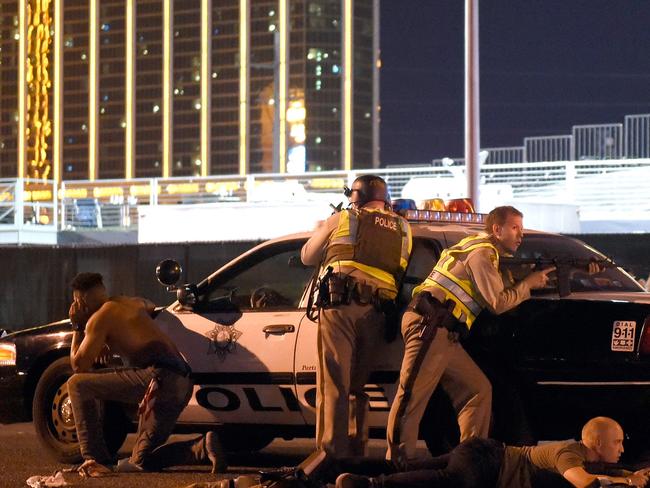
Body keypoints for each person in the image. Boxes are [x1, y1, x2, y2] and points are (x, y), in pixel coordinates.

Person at [386, 205, 555, 467]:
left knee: (477, 389)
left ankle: (469, 460)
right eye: (514, 228)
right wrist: (528, 285)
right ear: (496, 229)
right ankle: (397, 465)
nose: (520, 235)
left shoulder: (478, 248)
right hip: (430, 325)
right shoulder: (482, 253)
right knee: (411, 396)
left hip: (445, 332)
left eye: (521, 228)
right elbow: (497, 302)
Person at [66, 272, 226, 475]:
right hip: (182, 382)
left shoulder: (98, 319)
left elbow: (79, 366)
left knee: (77, 384)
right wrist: (107, 338)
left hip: (159, 379)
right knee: (141, 461)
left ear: (81, 301)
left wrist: (77, 326)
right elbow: (150, 305)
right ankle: (202, 447)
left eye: (75, 302)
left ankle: (95, 459)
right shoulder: (131, 302)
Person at [301, 175, 412, 458]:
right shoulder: (403, 227)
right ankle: (356, 452)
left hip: (341, 307)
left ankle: (331, 456)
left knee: (334, 384)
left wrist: (325, 226)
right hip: (377, 313)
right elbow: (400, 270)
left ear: (356, 196)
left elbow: (306, 256)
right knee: (357, 386)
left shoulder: (343, 219)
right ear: (385, 198)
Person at [336, 416, 650, 487]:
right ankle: (368, 485)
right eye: (617, 442)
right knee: (448, 480)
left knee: (405, 466)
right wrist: (628, 483)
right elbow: (585, 482)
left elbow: (602, 471)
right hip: (489, 464)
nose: (621, 448)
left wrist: (629, 473)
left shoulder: (583, 453)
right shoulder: (568, 455)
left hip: (486, 452)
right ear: (597, 443)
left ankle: (338, 466)